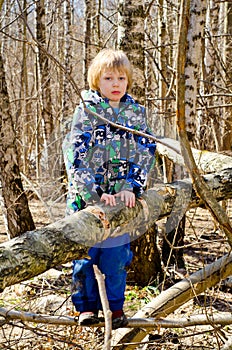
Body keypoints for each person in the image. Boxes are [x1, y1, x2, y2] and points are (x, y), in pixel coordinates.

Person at [63, 48, 156, 329]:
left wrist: (131, 187)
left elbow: (145, 151)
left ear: (128, 81)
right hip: (86, 202)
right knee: (84, 257)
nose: (115, 84)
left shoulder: (135, 113)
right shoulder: (87, 111)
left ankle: (115, 309)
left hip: (121, 202)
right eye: (108, 78)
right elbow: (75, 155)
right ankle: (86, 308)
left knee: (116, 257)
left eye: (121, 78)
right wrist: (93, 193)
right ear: (96, 81)